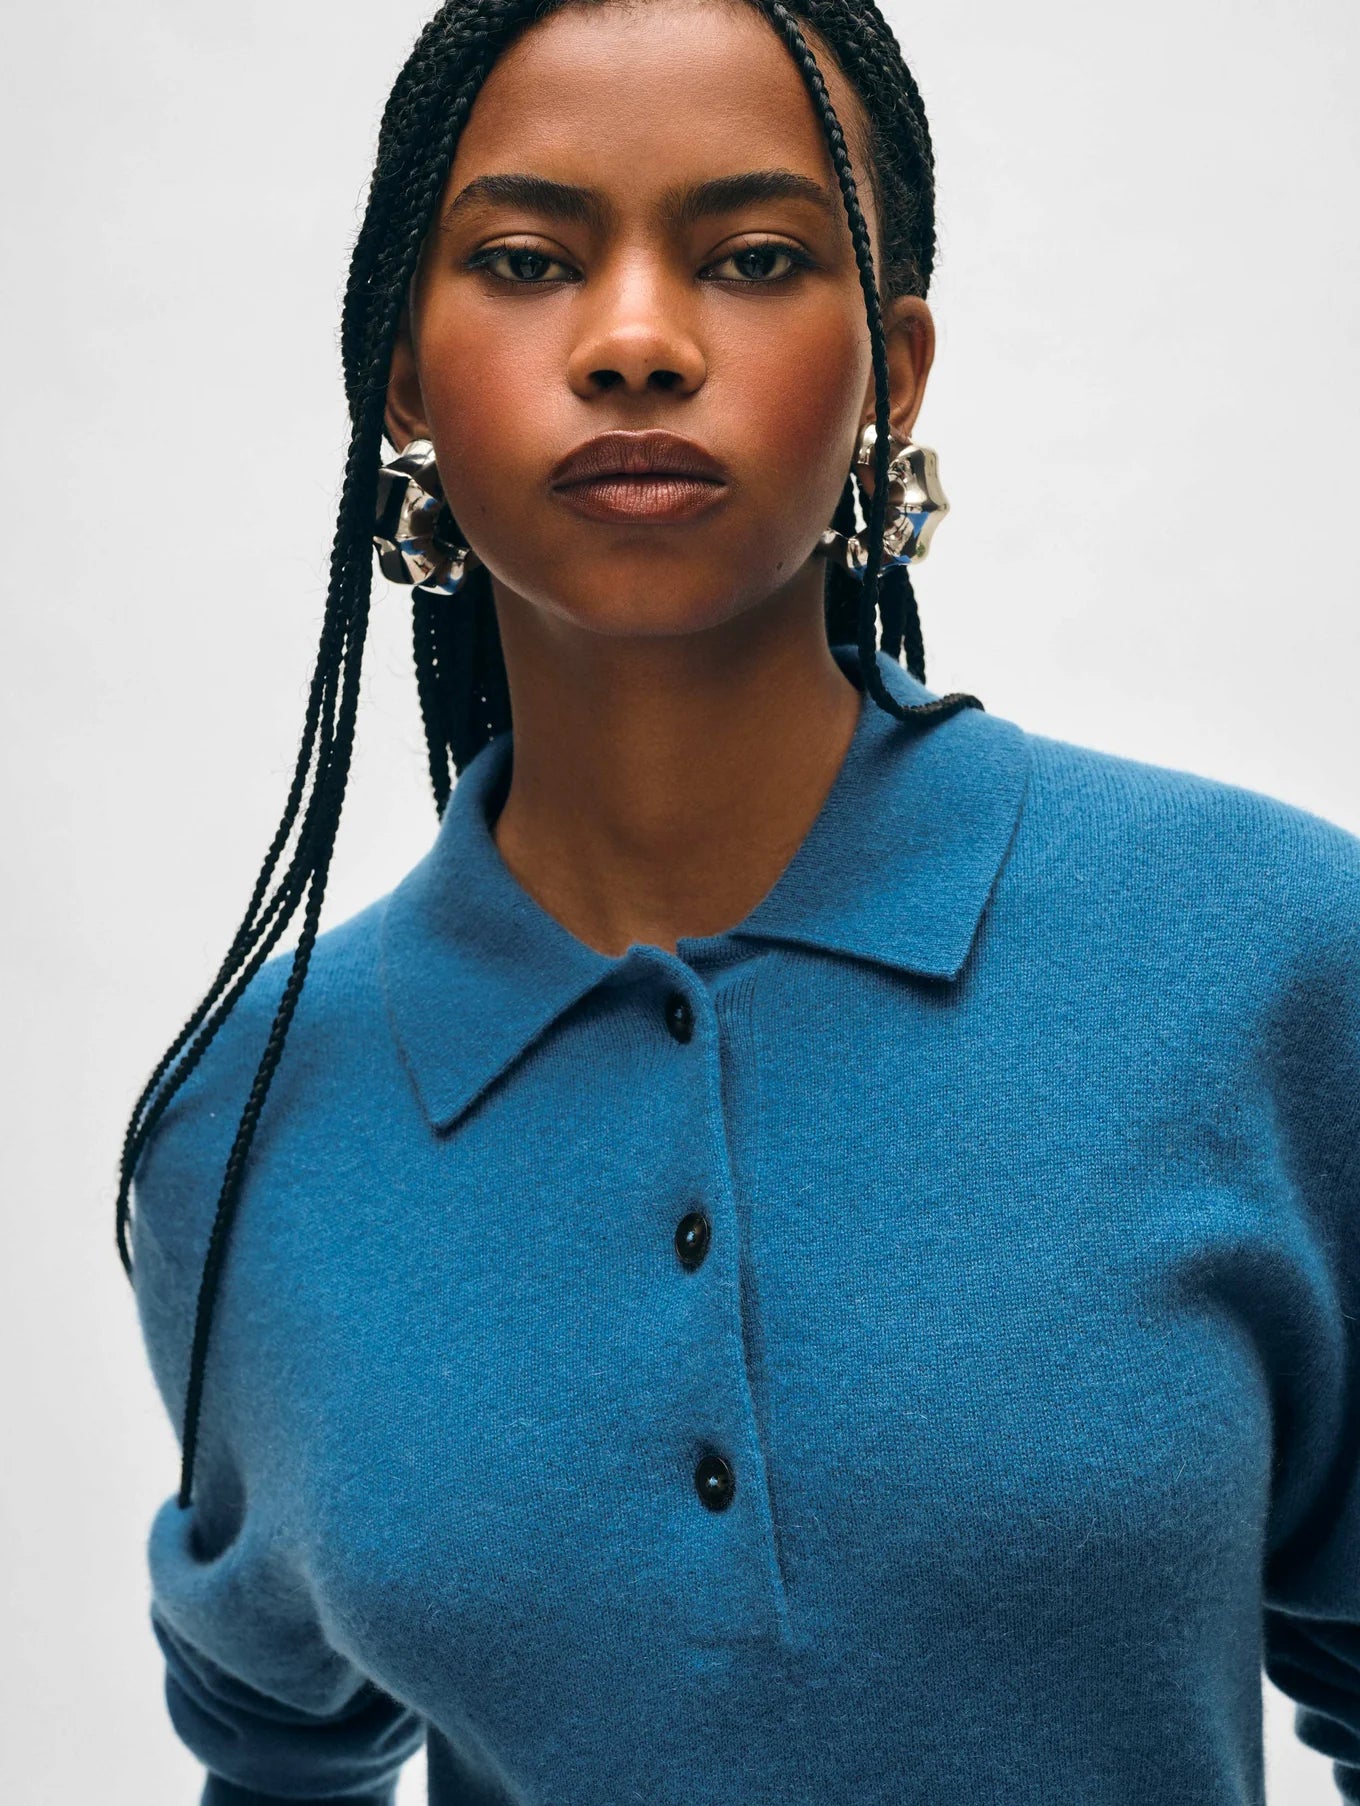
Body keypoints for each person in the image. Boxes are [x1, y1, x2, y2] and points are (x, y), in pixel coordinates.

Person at [117, 0, 1360, 1801]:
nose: (633, 341)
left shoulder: (1273, 958)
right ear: (399, 371)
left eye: (756, 256)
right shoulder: (246, 1125)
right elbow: (273, 1759)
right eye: (531, 259)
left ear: (896, 368)